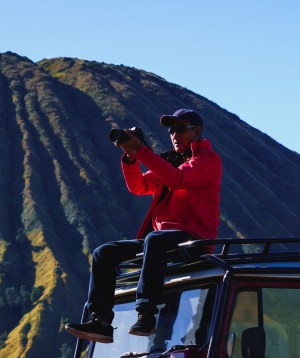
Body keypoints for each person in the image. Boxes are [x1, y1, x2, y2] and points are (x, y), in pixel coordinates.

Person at [66, 108, 222, 342]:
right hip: (162, 241)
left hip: (192, 239)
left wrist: (141, 150)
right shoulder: (171, 162)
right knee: (103, 253)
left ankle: (146, 315)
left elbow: (176, 179)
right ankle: (100, 322)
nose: (174, 135)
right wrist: (131, 156)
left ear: (197, 131)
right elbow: (138, 186)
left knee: (154, 240)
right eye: (171, 130)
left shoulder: (208, 161)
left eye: (180, 129)